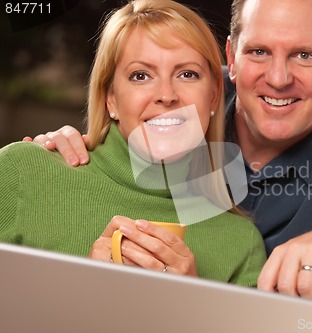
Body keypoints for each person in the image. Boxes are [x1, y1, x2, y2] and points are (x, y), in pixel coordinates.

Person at [24, 0, 312, 300]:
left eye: (305, 55)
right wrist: (65, 152)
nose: (277, 78)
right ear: (230, 58)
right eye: (259, 52)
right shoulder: (188, 114)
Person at [0, 0, 267, 287]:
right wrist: (79, 290)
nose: (166, 95)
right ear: (110, 98)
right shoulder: (22, 174)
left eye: (187, 74)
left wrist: (191, 303)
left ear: (214, 95)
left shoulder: (242, 245)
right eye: (141, 75)